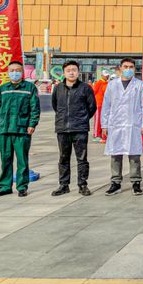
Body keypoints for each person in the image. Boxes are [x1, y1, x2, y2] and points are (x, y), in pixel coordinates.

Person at [101, 58, 143, 196]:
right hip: (115, 124)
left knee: (134, 155)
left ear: (134, 69)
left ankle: (136, 182)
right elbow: (106, 106)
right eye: (125, 66)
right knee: (115, 154)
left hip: (133, 124)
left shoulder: (140, 85)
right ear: (120, 68)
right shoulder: (112, 85)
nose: (128, 69)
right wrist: (104, 124)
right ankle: (115, 182)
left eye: (131, 67)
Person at [0, 61, 41, 197]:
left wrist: (32, 124)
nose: (14, 73)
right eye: (11, 70)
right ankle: (5, 187)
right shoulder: (3, 88)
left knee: (22, 160)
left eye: (17, 70)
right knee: (5, 159)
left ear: (22, 72)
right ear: (8, 72)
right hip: (4, 129)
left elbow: (35, 109)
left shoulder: (30, 88)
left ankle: (22, 187)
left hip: (22, 129)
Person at [51, 60, 97, 196]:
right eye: (68, 70)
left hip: (80, 129)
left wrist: (81, 119)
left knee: (82, 158)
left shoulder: (85, 88)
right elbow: (55, 105)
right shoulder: (58, 88)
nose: (71, 72)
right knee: (63, 158)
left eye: (74, 70)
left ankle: (82, 185)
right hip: (62, 128)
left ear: (78, 72)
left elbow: (92, 107)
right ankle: (63, 185)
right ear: (64, 73)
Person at [92, 69, 109, 142]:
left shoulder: (107, 83)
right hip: (98, 104)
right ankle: (96, 135)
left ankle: (102, 135)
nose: (107, 77)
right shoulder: (99, 82)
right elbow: (93, 92)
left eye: (107, 75)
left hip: (105, 104)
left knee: (103, 120)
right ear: (102, 76)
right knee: (98, 120)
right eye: (105, 76)